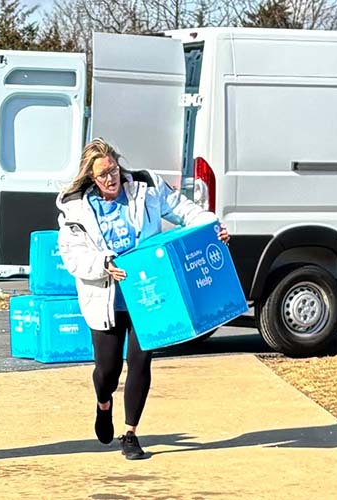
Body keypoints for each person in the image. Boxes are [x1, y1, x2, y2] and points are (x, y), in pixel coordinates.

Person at [56, 138, 229, 460]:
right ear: (90, 178)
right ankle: (103, 403)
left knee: (141, 361)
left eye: (114, 170)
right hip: (105, 295)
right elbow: (73, 256)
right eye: (103, 175)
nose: (111, 179)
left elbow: (183, 210)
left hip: (148, 292)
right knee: (107, 370)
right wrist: (105, 264)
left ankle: (131, 433)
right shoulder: (74, 207)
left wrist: (212, 228)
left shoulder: (146, 188)